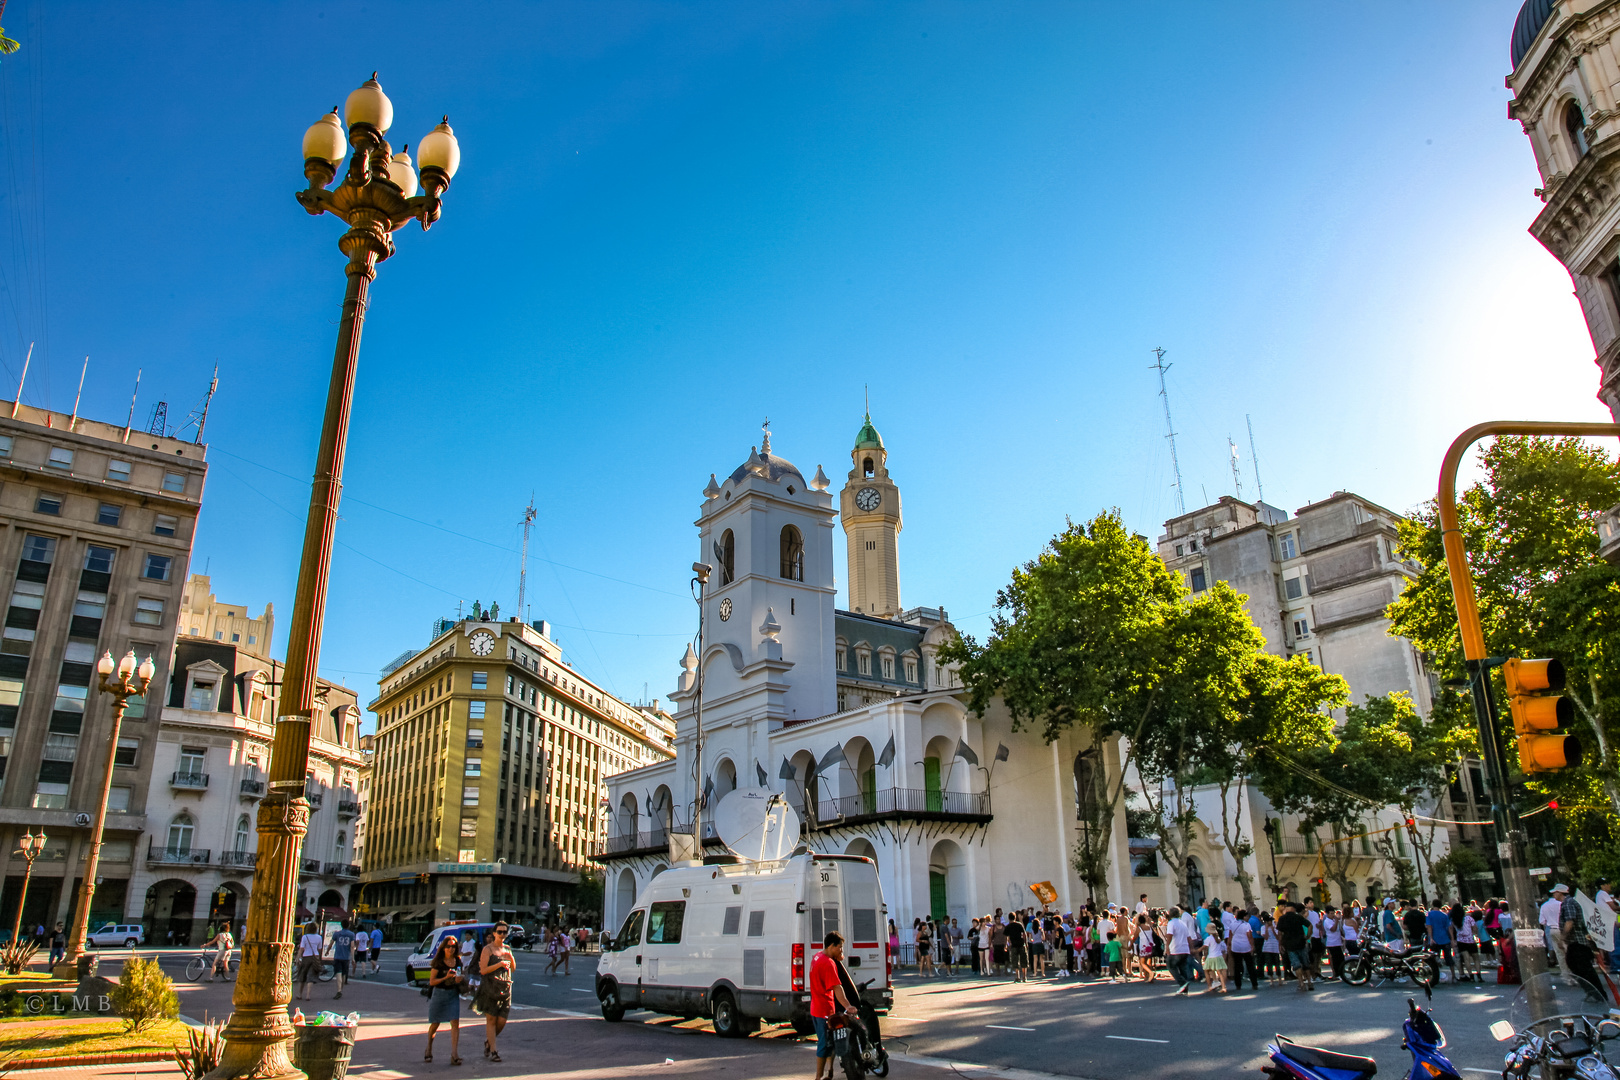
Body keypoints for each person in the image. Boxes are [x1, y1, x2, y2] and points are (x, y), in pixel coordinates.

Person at [811, 931, 858, 1080]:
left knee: (829, 1042)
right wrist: (848, 1006)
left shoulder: (817, 956)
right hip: (823, 1010)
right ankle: (818, 1077)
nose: (841, 951)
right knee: (824, 1044)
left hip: (816, 1008)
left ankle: (829, 1071)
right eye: (840, 948)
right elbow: (837, 987)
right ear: (832, 946)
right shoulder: (828, 963)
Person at [473, 922, 515, 1061]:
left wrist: (510, 958)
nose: (502, 934)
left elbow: (513, 969)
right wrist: (499, 964)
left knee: (502, 1021)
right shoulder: (488, 949)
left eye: (504, 932)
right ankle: (494, 1051)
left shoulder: (507, 949)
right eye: (500, 932)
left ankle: (489, 1042)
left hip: (505, 989)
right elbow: (483, 970)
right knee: (491, 1019)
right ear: (494, 933)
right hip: (490, 988)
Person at [425, 934, 464, 1065]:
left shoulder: (458, 961)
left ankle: (454, 1054)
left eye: (453, 947)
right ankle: (429, 1047)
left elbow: (460, 975)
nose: (451, 949)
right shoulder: (438, 962)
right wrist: (445, 978)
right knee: (435, 1023)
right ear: (443, 948)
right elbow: (432, 982)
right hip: (439, 994)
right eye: (448, 946)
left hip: (452, 994)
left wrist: (459, 979)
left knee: (455, 1023)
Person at [1278, 903, 1314, 992]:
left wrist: (1280, 944)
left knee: (1296, 965)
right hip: (1301, 942)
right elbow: (1310, 925)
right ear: (1293, 909)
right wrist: (1307, 936)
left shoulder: (1282, 919)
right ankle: (1309, 982)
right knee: (1305, 963)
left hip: (1289, 944)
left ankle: (1301, 983)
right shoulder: (1298, 917)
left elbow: (1280, 932)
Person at [1164, 905, 1194, 995]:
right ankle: (1185, 988)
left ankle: (1182, 982)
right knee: (1182, 967)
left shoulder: (1171, 923)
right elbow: (1188, 937)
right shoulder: (1182, 923)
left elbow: (1169, 935)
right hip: (1184, 948)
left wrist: (1167, 946)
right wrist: (1191, 947)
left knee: (1170, 965)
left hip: (1175, 949)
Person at [1425, 899, 1456, 984]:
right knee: (1448, 957)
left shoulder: (1429, 914)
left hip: (1435, 939)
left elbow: (1429, 926)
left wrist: (1431, 938)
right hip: (1445, 938)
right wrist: (1452, 939)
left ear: (1432, 904)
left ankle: (1436, 976)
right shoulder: (1444, 915)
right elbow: (1449, 927)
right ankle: (1453, 976)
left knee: (1434, 959)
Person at [1228, 907, 1258, 991]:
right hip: (1246, 947)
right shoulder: (1246, 925)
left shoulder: (1232, 924)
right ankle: (1254, 983)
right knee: (1250, 965)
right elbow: (1249, 936)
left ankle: (1238, 984)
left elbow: (1230, 936)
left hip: (1235, 947)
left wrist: (1229, 946)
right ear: (1244, 917)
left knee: (1237, 966)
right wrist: (1252, 946)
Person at [1542, 885, 1570, 970]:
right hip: (1563, 929)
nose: (1554, 894)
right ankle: (1573, 974)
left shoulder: (1544, 905)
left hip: (1552, 929)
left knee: (1559, 954)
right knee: (1568, 952)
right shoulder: (1563, 903)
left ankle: (1566, 976)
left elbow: (1542, 921)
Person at [297, 924, 326, 1001]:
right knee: (311, 976)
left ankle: (300, 994)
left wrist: (297, 957)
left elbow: (301, 948)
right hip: (315, 956)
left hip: (306, 956)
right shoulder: (319, 937)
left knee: (303, 975)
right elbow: (319, 949)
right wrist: (319, 958)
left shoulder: (305, 937)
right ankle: (308, 995)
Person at [1455, 903, 1483, 983]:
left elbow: (1451, 929)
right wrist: (1475, 934)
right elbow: (1474, 928)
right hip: (1470, 940)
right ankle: (1479, 975)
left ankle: (1471, 976)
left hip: (1461, 941)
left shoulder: (1455, 920)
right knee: (1476, 958)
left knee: (1466, 959)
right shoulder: (1469, 918)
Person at [330, 922, 356, 999]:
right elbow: (352, 947)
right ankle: (341, 989)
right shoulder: (351, 934)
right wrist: (353, 958)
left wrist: (327, 950)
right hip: (346, 957)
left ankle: (338, 990)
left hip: (337, 956)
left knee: (338, 973)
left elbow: (331, 943)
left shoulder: (337, 934)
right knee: (344, 974)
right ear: (348, 925)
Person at [1201, 920, 1228, 995]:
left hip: (1211, 956)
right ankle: (1223, 987)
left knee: (1206, 970)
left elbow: (1205, 947)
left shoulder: (1208, 939)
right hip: (1219, 956)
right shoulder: (1218, 938)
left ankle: (1210, 986)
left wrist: (1196, 950)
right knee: (1221, 972)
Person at [1259, 911, 1283, 986]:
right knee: (1269, 964)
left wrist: (1273, 930)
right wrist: (1266, 929)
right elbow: (1265, 937)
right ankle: (1272, 980)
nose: (1270, 922)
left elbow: (1278, 937)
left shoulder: (1275, 927)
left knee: (1277, 963)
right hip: (1267, 948)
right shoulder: (1263, 928)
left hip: (1275, 947)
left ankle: (1279, 979)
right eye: (1269, 921)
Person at [1322, 906, 1345, 981]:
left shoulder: (1334, 920)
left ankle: (1341, 972)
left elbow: (1339, 930)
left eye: (1333, 913)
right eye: (1331, 913)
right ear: (1327, 914)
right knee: (1335, 959)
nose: (1333, 915)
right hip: (1331, 943)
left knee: (1341, 958)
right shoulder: (1327, 921)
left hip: (1338, 942)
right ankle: (1336, 974)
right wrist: (1337, 921)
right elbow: (1333, 929)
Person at [1005, 911, 1028, 982]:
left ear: (1009, 918)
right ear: (1015, 918)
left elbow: (1007, 937)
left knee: (1015, 961)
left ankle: (1017, 976)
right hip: (1021, 944)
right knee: (1024, 960)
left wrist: (1007, 944)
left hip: (1014, 946)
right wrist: (1026, 943)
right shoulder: (1019, 924)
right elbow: (1024, 934)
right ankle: (1024, 977)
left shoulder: (1008, 926)